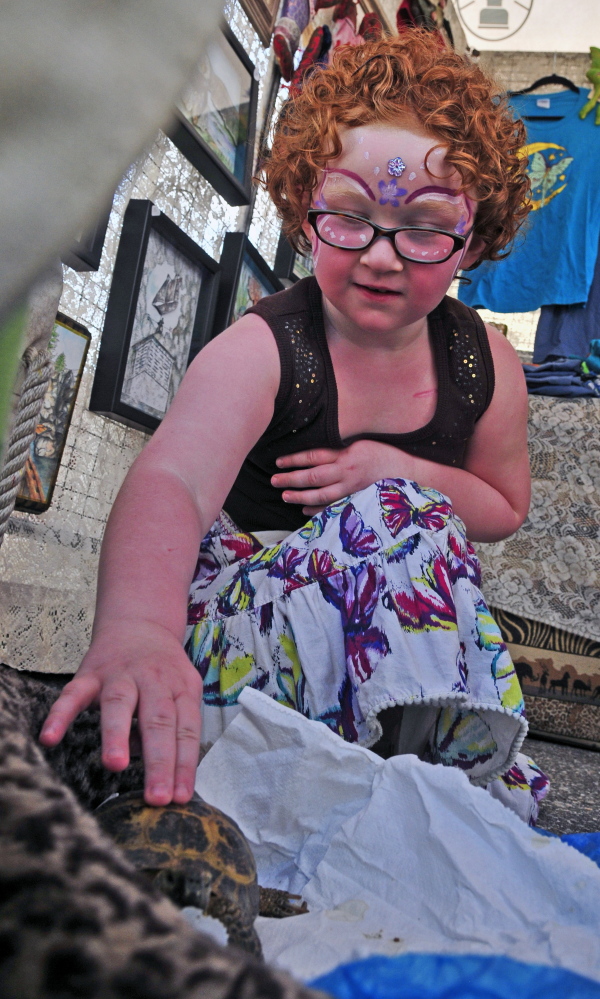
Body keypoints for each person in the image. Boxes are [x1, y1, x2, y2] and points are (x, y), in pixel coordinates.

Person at [41, 32, 548, 824]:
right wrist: (137, 628)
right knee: (399, 514)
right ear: (305, 211)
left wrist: (392, 468)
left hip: (383, 657)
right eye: (349, 216)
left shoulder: (486, 366)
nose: (381, 255)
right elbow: (173, 478)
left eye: (422, 227)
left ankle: (430, 789)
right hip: (240, 649)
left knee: (409, 514)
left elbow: (502, 505)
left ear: (474, 239)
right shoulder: (266, 347)